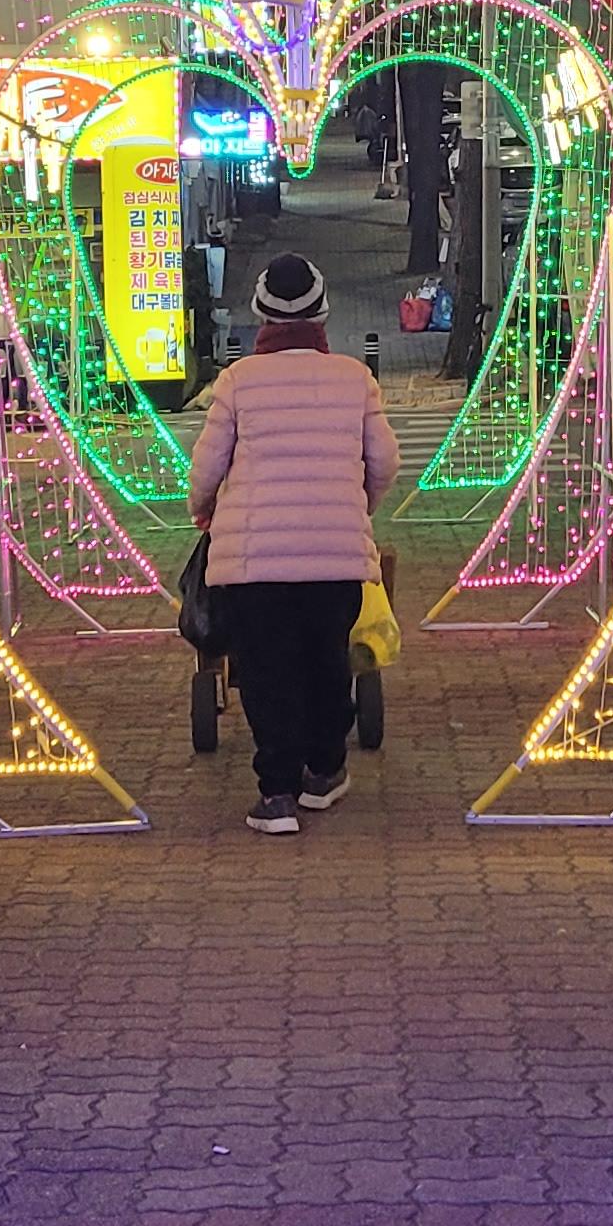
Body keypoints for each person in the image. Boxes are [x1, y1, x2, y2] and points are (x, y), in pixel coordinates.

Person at [186, 251, 398, 834]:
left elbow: (207, 467)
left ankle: (276, 794)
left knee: (265, 671)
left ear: (261, 314)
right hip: (335, 559)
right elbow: (384, 461)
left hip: (253, 565)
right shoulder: (355, 379)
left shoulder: (237, 381)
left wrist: (203, 510)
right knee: (327, 660)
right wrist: (357, 508)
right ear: (321, 312)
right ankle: (324, 772)